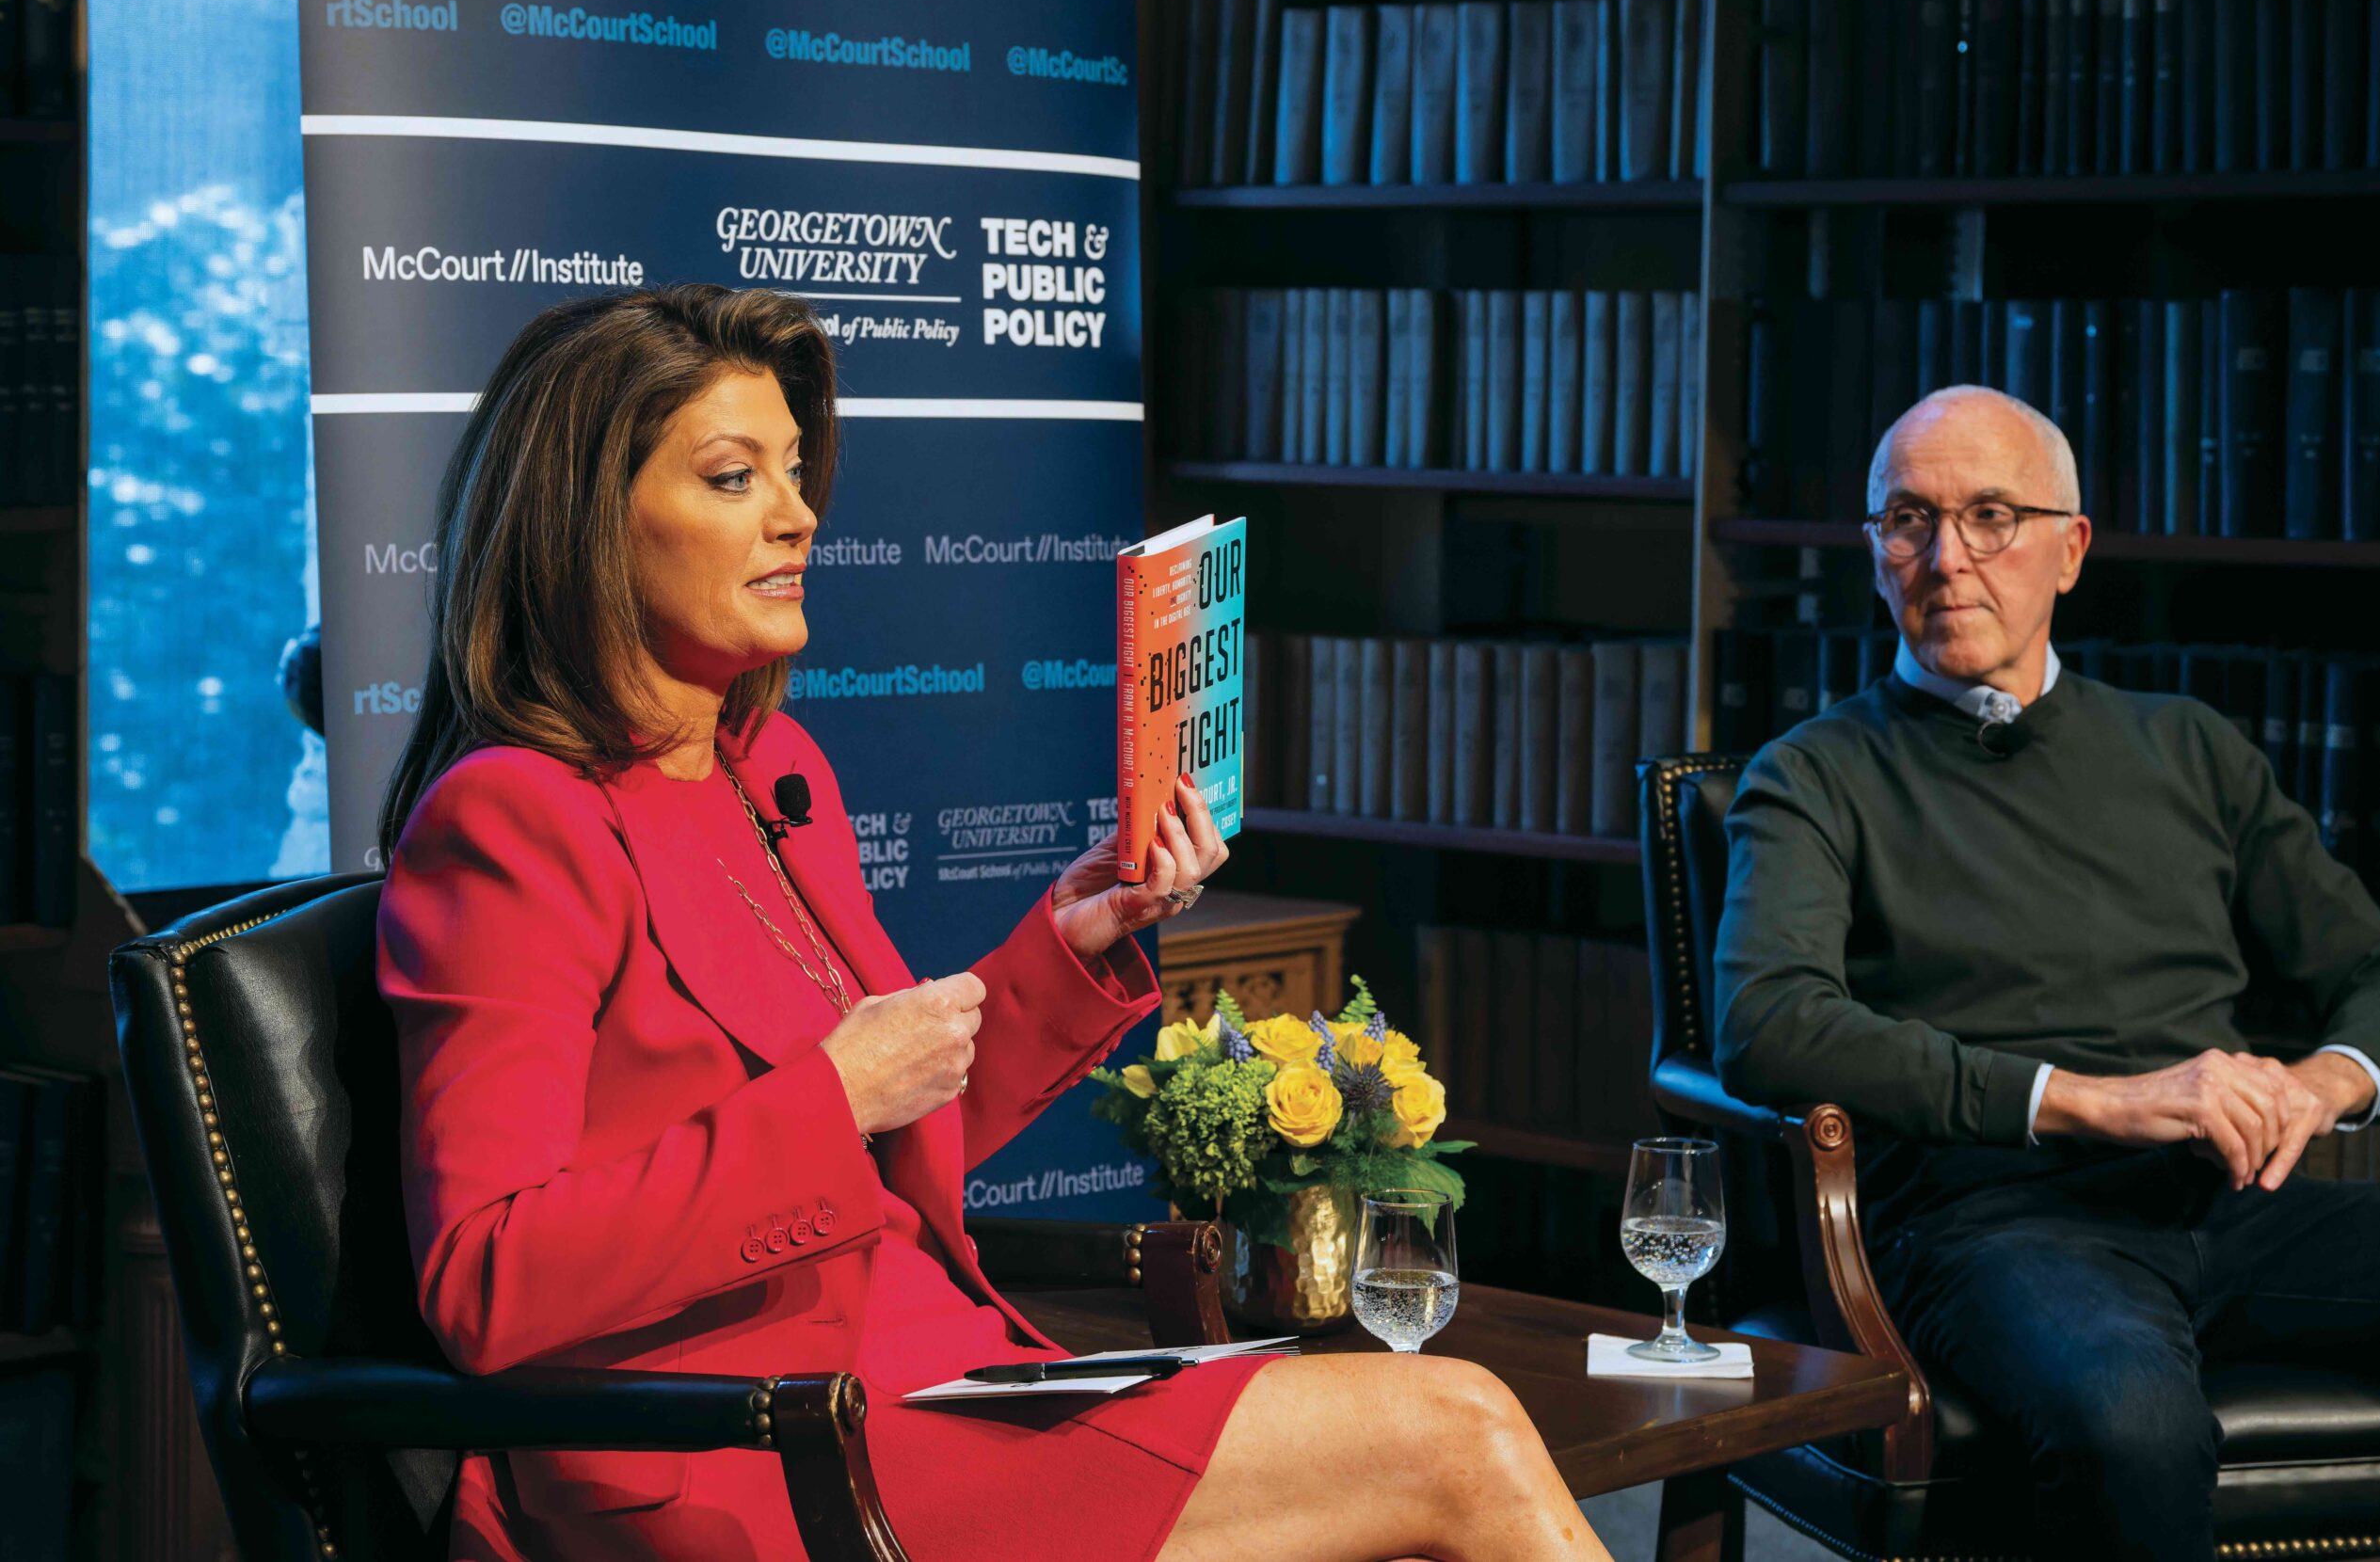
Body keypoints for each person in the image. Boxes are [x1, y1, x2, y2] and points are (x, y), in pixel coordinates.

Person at [375, 282, 1612, 1562]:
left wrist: (1062, 954)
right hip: (739, 1446)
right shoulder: (510, 822)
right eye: (736, 477)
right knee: (1456, 1426)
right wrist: (831, 1095)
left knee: (1429, 1465)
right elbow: (485, 1279)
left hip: (943, 1373)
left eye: (796, 471)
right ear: (586, 521)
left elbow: (892, 1147)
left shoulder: (773, 767)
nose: (800, 514)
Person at [1711, 385, 2380, 1562]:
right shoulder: (1813, 775)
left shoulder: (2190, 748)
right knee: (2131, 1427)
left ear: (2069, 549)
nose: (1946, 558)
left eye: (1990, 515)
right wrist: (2087, 1099)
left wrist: (2317, 1089)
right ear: (1872, 556)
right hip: (1995, 1226)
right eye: (1908, 520)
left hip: (2236, 1206)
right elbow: (1765, 1023)